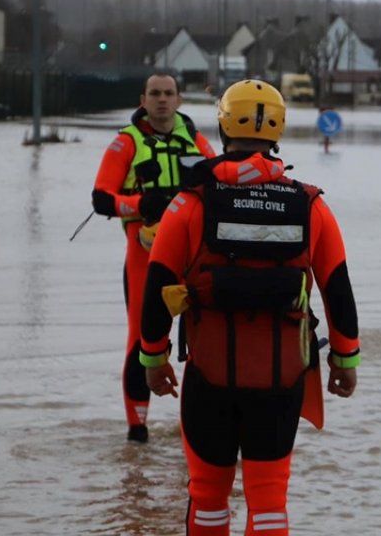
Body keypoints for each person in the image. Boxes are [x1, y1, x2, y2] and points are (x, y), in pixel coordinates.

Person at [139, 80, 360, 535]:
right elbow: (338, 290)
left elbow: (157, 283)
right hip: (281, 379)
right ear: (277, 131)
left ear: (222, 126)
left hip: (209, 375)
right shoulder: (311, 205)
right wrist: (345, 359)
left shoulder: (189, 203)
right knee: (270, 500)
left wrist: (152, 356)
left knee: (207, 496)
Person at [91, 73, 217, 443]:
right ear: (142, 99)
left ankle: (193, 426)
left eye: (168, 94)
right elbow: (101, 199)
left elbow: (221, 187)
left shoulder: (197, 141)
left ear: (179, 100)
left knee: (199, 338)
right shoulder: (125, 143)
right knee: (139, 338)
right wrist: (141, 204)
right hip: (142, 250)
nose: (162, 100)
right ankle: (137, 430)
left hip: (190, 253)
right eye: (155, 94)